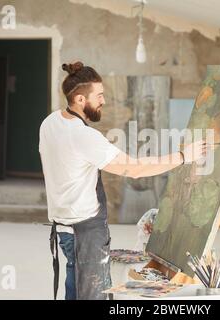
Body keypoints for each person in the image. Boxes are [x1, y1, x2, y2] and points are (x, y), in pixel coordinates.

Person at [39, 61, 207, 300]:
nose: (103, 101)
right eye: (99, 96)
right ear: (79, 99)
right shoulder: (84, 137)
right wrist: (183, 156)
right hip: (83, 234)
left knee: (74, 290)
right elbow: (133, 169)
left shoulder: (51, 123)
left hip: (65, 230)